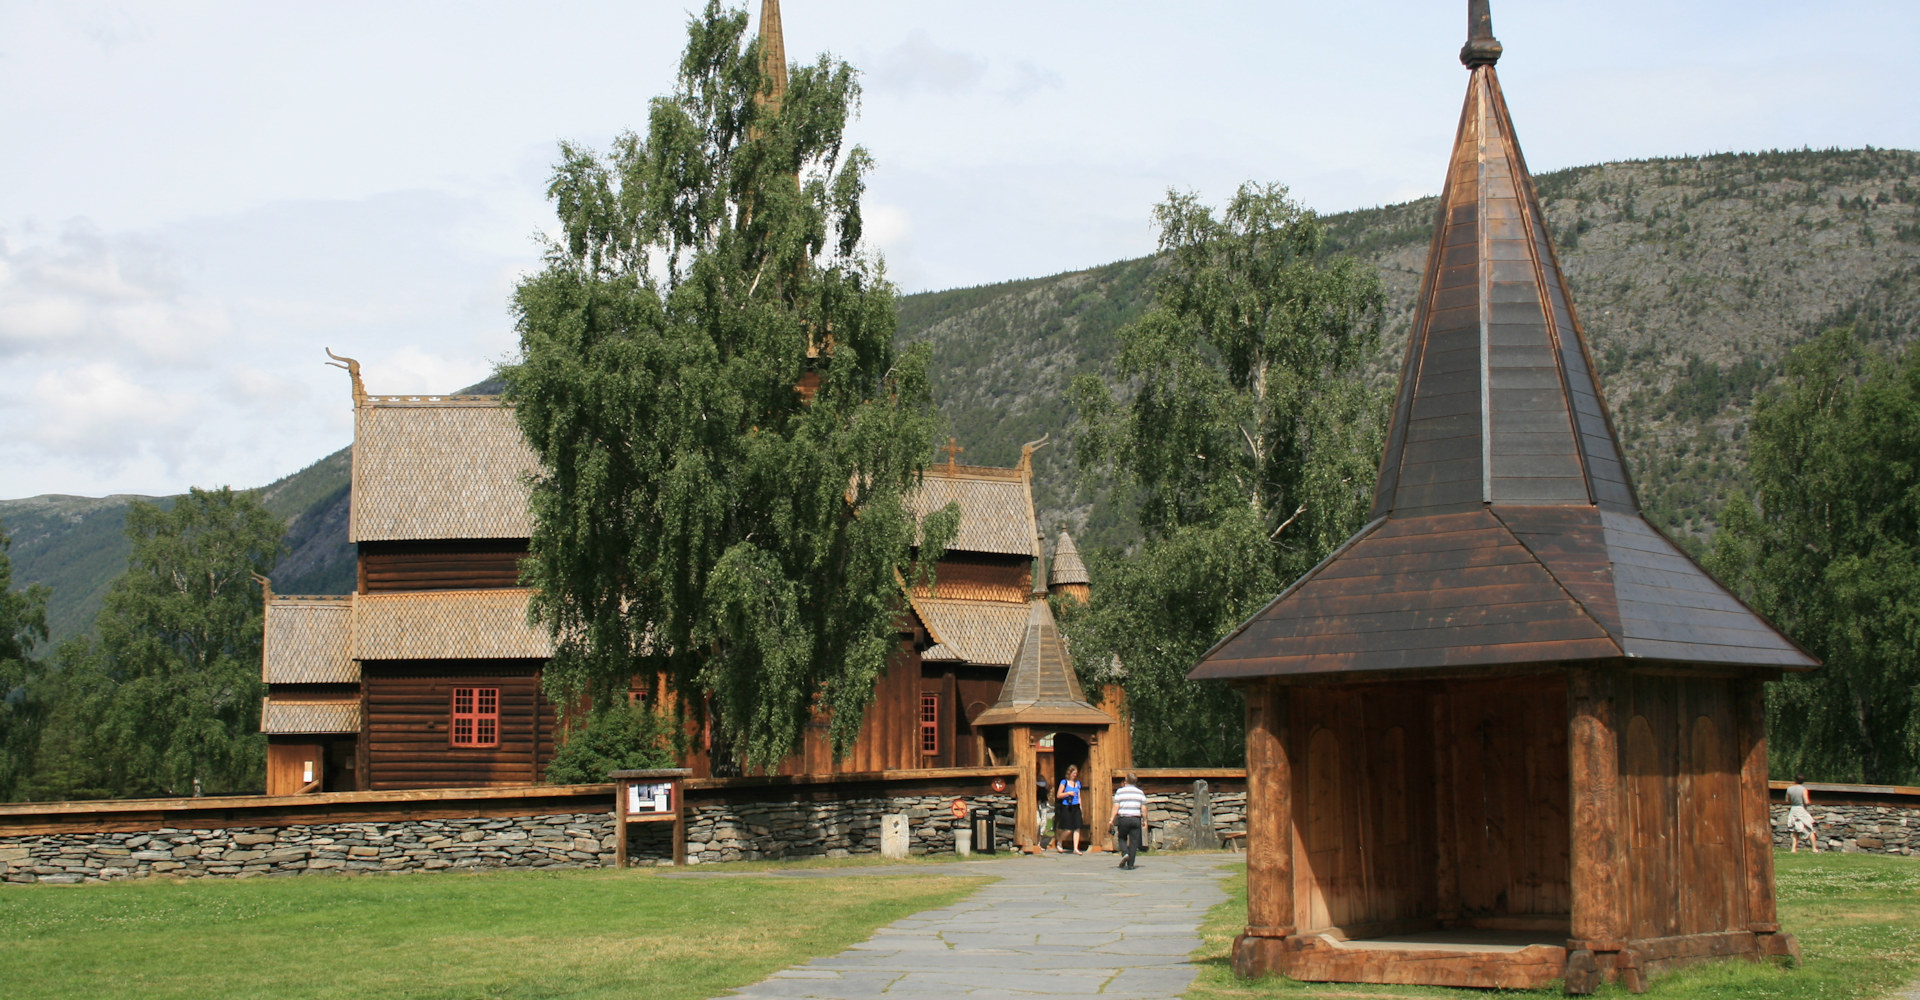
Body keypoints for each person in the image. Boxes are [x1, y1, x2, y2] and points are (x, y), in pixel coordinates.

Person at [1110, 772, 1148, 870]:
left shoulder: (1120, 791)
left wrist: (1111, 819)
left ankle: (1125, 853)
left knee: (1122, 837)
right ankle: (1131, 864)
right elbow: (1143, 808)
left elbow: (1116, 806)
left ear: (1126, 780)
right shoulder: (1140, 792)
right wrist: (1145, 820)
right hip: (1135, 818)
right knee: (1134, 842)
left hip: (1124, 818)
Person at [1054, 764, 1086, 854]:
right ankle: (1060, 841)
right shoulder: (1064, 782)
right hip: (1067, 806)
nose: (1075, 775)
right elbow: (1058, 795)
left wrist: (1081, 808)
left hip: (1076, 806)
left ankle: (1076, 848)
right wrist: (1068, 793)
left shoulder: (1078, 783)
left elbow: (1079, 796)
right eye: (1073, 773)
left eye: (1076, 773)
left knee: (1077, 828)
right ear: (1069, 773)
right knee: (1068, 829)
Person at [1786, 774, 1818, 853]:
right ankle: (1814, 848)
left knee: (1794, 829)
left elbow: (1787, 800)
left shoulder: (1789, 789)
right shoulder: (1804, 789)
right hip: (1801, 809)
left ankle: (1793, 849)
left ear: (1795, 780)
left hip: (1793, 809)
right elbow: (1806, 801)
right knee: (1809, 828)